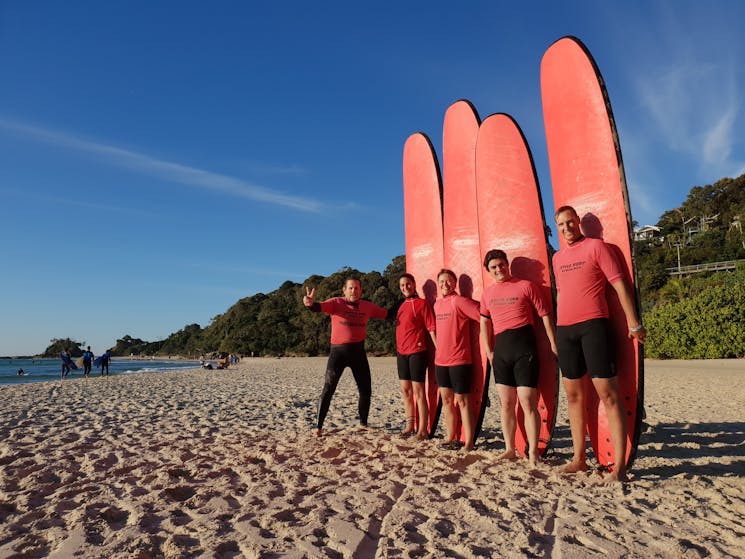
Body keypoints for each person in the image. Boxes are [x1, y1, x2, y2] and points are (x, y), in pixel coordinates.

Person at [553, 206, 646, 483]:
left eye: (570, 221)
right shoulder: (557, 258)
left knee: (609, 394)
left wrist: (634, 323)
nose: (567, 227)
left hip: (594, 326)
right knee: (573, 397)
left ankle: (619, 467)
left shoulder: (597, 247)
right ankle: (579, 458)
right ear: (557, 227)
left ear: (578, 222)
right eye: (561, 224)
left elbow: (619, 286)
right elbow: (562, 292)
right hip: (565, 330)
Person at [479, 249, 558, 467]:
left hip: (525, 350)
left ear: (507, 264)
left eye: (501, 264)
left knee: (527, 403)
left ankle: (533, 452)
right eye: (493, 267)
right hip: (502, 352)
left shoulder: (526, 286)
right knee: (506, 404)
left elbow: (544, 315)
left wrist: (553, 343)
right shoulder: (487, 294)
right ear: (489, 271)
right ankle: (509, 449)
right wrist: (488, 350)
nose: (498, 269)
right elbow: (484, 323)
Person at [303, 277, 388, 437]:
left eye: (356, 288)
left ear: (361, 290)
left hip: (358, 353)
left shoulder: (367, 306)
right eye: (350, 288)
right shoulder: (336, 303)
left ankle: (363, 423)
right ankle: (318, 426)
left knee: (365, 390)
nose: (353, 291)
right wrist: (310, 304)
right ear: (344, 290)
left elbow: (387, 314)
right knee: (328, 388)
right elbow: (318, 307)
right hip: (338, 353)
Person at [433, 269, 481, 451]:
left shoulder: (459, 301)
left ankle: (469, 442)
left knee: (463, 401)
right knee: (446, 401)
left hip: (460, 360)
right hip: (441, 361)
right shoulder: (437, 305)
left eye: (448, 281)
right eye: (442, 282)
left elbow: (482, 313)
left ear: (455, 283)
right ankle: (450, 436)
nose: (445, 285)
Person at [395, 273, 437, 440]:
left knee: (419, 392)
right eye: (402, 285)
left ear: (414, 284)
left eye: (408, 284)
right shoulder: (401, 305)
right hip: (401, 353)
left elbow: (431, 327)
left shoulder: (422, 303)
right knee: (406, 391)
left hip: (417, 352)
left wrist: (438, 347)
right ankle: (409, 426)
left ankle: (422, 431)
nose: (405, 287)